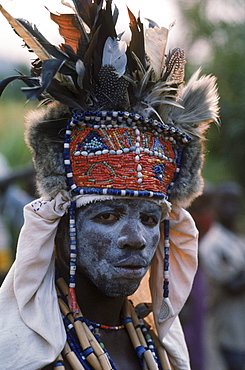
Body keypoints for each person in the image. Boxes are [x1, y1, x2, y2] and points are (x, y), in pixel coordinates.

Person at [0, 1, 219, 369]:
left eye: (150, 220)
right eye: (107, 216)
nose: (135, 238)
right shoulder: (18, 350)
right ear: (62, 229)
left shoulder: (158, 347)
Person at [200, 182, 245, 370]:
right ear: (216, 204)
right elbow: (231, 286)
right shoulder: (211, 244)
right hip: (228, 334)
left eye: (234, 202)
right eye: (225, 201)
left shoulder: (239, 240)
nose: (230, 207)